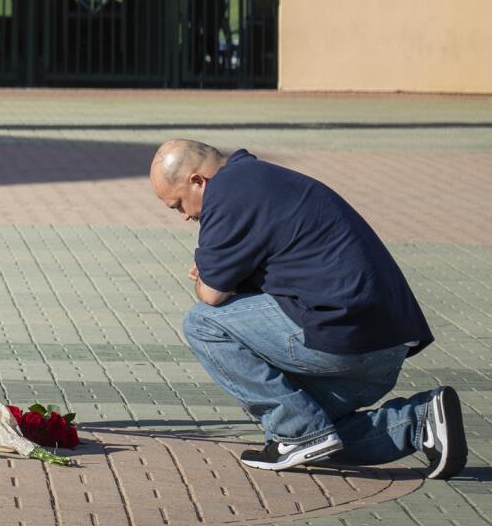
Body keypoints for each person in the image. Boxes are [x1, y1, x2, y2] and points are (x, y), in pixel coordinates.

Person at [149, 140, 464, 477]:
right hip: (383, 345)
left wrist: (206, 272)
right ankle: (418, 421)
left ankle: (298, 433)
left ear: (199, 181)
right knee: (316, 431)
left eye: (178, 204)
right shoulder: (258, 179)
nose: (184, 215)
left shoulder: (228, 191)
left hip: (344, 337)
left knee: (203, 323)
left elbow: (210, 295)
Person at [189, 0, 233, 74]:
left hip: (200, 31)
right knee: (212, 54)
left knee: (196, 53)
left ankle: (195, 73)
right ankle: (214, 74)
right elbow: (223, 11)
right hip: (212, 31)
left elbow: (189, 11)